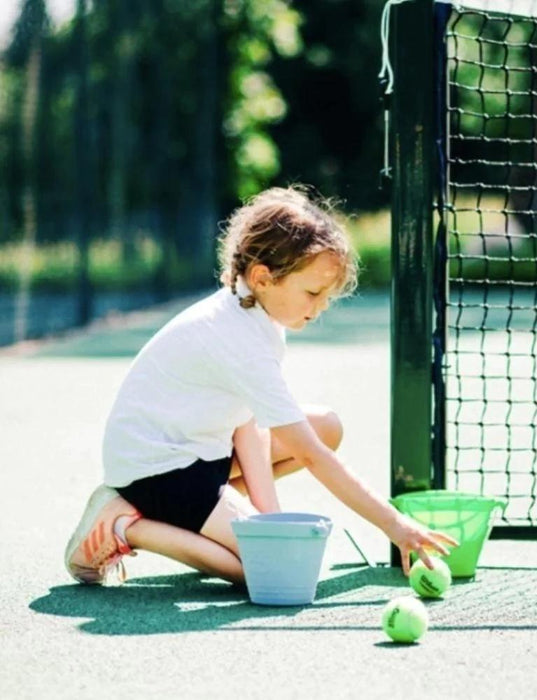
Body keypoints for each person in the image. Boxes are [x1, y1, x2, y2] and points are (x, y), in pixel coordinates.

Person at [64, 186, 456, 587]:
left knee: (325, 427)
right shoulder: (238, 338)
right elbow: (310, 456)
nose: (320, 308)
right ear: (263, 278)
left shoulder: (254, 311)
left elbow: (245, 424)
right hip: (159, 471)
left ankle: (201, 519)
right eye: (312, 293)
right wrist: (395, 525)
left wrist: (269, 520)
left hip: (201, 453)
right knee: (269, 572)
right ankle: (124, 525)